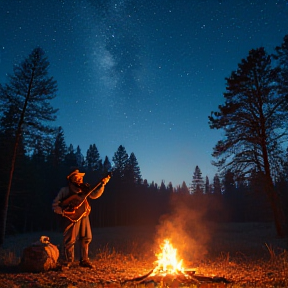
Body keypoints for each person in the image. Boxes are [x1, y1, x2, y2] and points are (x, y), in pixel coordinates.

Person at [52, 168, 110, 268]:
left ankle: (84, 260)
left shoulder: (84, 189)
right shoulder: (65, 190)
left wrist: (102, 184)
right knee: (70, 239)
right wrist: (63, 211)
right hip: (71, 217)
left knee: (86, 238)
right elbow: (55, 205)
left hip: (84, 215)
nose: (79, 180)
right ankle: (68, 261)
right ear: (71, 179)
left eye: (80, 178)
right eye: (77, 178)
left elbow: (95, 194)